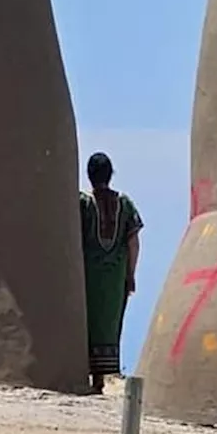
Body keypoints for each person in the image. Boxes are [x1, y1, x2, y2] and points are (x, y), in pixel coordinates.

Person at [79, 151, 143, 394]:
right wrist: (131, 273)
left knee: (88, 321)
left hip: (88, 275)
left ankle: (88, 373)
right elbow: (134, 241)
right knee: (109, 322)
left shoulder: (82, 203)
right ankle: (100, 377)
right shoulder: (125, 204)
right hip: (115, 276)